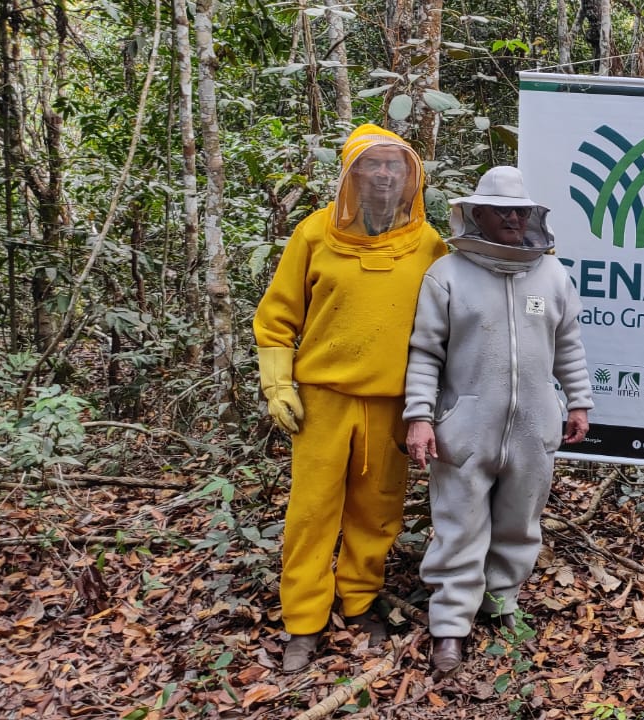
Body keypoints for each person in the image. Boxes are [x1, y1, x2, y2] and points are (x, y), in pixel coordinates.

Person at [253, 124, 448, 673]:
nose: (383, 174)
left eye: (394, 165)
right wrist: (278, 384)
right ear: (352, 174)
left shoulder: (428, 244)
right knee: (312, 511)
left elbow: (448, 325)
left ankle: (360, 601)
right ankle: (304, 620)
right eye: (371, 165)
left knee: (378, 510)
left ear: (409, 176)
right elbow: (276, 317)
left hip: (394, 404)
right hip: (324, 400)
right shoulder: (314, 234)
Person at [402, 166, 593, 675]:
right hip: (464, 428)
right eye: (502, 211)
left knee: (520, 521)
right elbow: (424, 353)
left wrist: (578, 402)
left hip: (534, 427)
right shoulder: (446, 274)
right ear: (477, 214)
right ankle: (450, 626)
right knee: (458, 525)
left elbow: (568, 345)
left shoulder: (552, 275)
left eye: (521, 211)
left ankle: (501, 600)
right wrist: (419, 416)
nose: (513, 219)